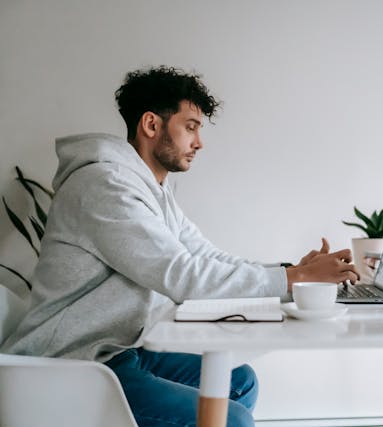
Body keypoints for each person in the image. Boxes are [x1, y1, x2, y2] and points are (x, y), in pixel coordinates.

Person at [1, 66, 358, 427]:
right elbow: (182, 276)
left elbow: (205, 257)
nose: (199, 142)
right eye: (190, 127)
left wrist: (290, 272)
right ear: (152, 125)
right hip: (73, 365)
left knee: (240, 381)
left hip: (121, 350)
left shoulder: (153, 190)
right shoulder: (105, 186)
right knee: (231, 419)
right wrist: (294, 278)